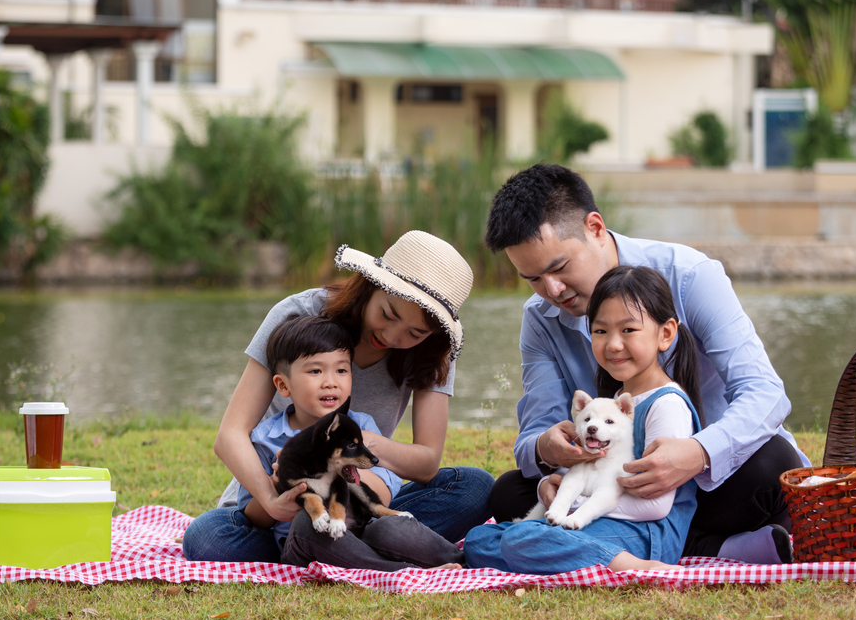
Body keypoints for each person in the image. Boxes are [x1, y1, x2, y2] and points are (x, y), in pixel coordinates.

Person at [483, 164, 808, 564]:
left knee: (772, 463)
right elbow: (534, 433)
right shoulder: (540, 319)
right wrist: (547, 451)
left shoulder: (690, 276)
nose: (552, 291)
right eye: (532, 279)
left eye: (559, 268)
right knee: (510, 491)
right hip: (616, 488)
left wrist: (696, 453)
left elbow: (765, 394)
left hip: (713, 484)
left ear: (595, 228)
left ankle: (624, 544)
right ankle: (717, 548)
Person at [182, 231, 493, 563]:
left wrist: (351, 449)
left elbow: (427, 462)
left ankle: (335, 545)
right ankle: (368, 550)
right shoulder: (298, 316)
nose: (391, 336)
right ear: (371, 285)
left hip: (361, 493)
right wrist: (273, 500)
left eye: (414, 333)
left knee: (474, 486)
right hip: (277, 504)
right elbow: (230, 434)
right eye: (387, 315)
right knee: (207, 538)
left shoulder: (433, 351)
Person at [465, 265, 705, 573]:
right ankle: (560, 552)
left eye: (628, 330)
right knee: (478, 539)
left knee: (520, 539)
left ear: (665, 333)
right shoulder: (613, 404)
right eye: (601, 331)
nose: (613, 344)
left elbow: (656, 505)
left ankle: (631, 566)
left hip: (646, 534)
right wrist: (562, 493)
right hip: (596, 523)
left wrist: (576, 505)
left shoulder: (666, 404)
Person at [227, 314, 463, 570]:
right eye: (315, 371)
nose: (331, 382)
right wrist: (281, 488)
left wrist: (338, 469)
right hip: (303, 540)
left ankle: (459, 560)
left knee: (391, 526)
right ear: (283, 385)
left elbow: (380, 497)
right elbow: (252, 516)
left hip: (358, 526)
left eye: (341, 370)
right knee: (307, 524)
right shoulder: (265, 437)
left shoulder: (361, 428)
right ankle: (400, 572)